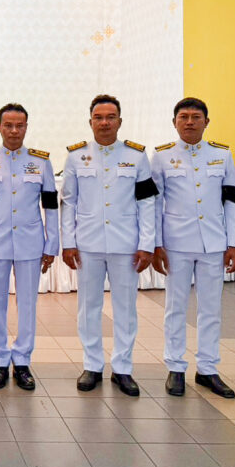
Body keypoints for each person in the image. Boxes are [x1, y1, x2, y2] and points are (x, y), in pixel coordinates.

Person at [60, 94, 157, 396]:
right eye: (99, 118)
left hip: (126, 244)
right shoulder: (76, 156)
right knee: (88, 307)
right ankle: (92, 365)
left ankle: (123, 368)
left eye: (110, 117)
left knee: (126, 308)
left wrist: (147, 243)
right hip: (87, 244)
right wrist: (68, 242)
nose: (104, 123)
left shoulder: (136, 156)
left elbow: (147, 202)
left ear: (120, 121)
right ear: (90, 122)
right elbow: (68, 202)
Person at [149, 98, 235, 398]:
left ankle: (208, 369)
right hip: (176, 244)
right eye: (183, 117)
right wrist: (156, 243)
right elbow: (154, 203)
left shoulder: (222, 154)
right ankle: (175, 367)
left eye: (196, 117)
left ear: (206, 121)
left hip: (213, 243)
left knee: (211, 309)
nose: (189, 122)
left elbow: (233, 201)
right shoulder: (162, 156)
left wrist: (234, 243)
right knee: (175, 307)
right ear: (174, 122)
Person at [0, 103, 59, 391]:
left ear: (26, 127)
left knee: (27, 303)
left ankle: (22, 360)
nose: (14, 131)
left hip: (30, 243)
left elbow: (51, 205)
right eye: (8, 125)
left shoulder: (40, 161)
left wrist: (52, 244)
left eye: (19, 126)